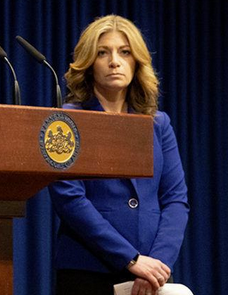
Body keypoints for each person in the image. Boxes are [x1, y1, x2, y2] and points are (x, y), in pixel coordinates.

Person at [49, 15, 190, 295]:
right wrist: (131, 259)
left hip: (151, 273)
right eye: (103, 53)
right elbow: (70, 199)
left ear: (136, 61)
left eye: (124, 52)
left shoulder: (158, 123)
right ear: (89, 63)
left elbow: (176, 199)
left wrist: (156, 264)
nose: (115, 61)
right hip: (87, 270)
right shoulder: (66, 121)